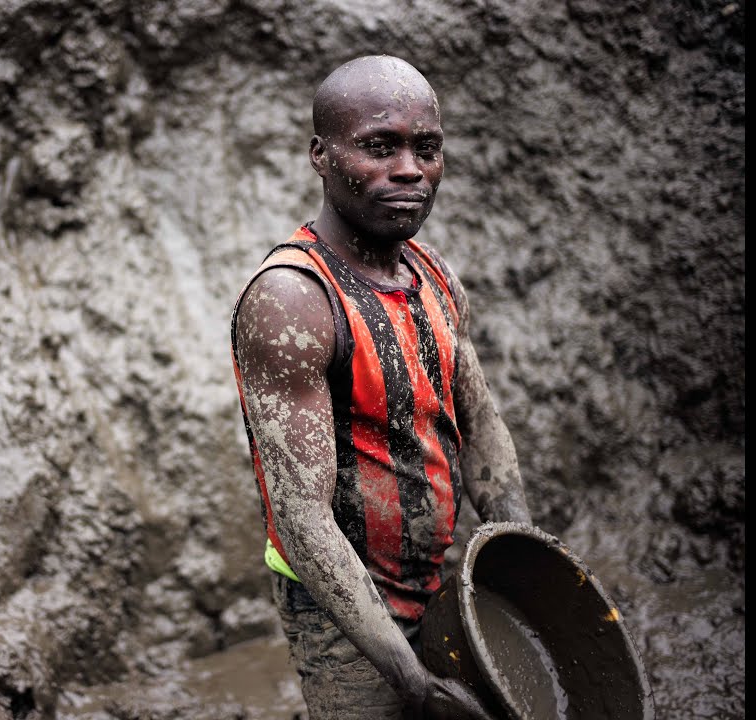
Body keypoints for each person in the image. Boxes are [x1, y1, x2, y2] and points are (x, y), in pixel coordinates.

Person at [229, 55, 532, 720]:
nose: (408, 171)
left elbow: (480, 423)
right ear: (321, 155)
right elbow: (302, 521)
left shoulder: (431, 273)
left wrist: (529, 571)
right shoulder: (292, 301)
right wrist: (411, 679)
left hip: (436, 577)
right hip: (340, 612)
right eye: (378, 147)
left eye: (426, 148)